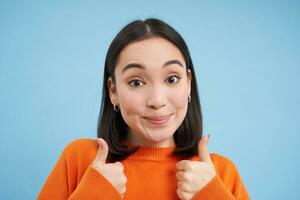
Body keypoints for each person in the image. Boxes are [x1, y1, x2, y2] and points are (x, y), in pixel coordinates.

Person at [38, 18, 250, 200]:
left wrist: (211, 195)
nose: (157, 100)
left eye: (172, 78)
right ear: (113, 91)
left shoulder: (219, 174)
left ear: (188, 83)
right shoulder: (80, 160)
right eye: (136, 82)